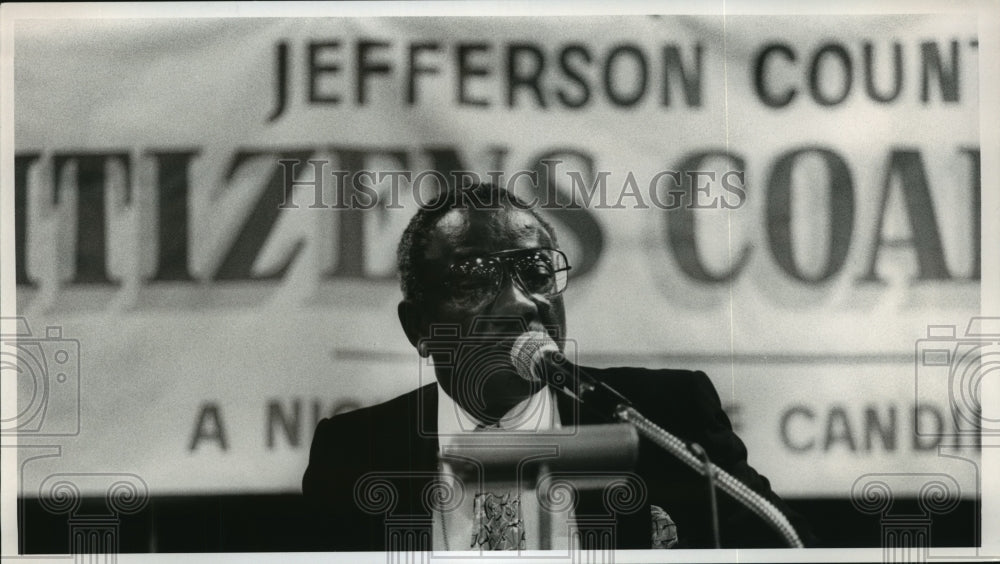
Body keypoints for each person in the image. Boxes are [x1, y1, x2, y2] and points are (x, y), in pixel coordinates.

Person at [302, 183, 814, 551]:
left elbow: (789, 546)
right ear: (418, 327)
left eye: (536, 271)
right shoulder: (354, 454)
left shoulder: (659, 417)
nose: (522, 304)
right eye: (475, 279)